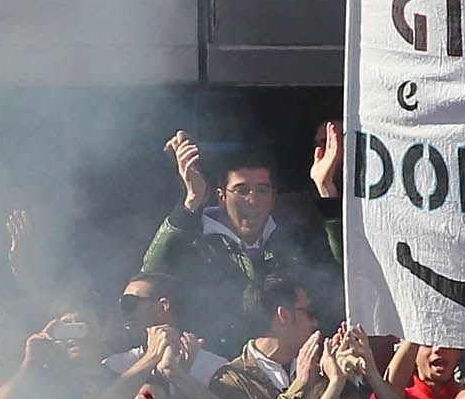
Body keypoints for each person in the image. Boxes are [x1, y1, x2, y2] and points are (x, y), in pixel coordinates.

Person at [139, 141, 335, 353]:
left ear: (273, 196)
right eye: (241, 190)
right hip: (212, 371)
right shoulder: (195, 240)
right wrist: (192, 201)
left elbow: (342, 279)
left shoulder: (294, 241)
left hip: (290, 370)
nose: (252, 200)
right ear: (221, 197)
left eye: (262, 190)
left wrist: (327, 192)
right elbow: (151, 277)